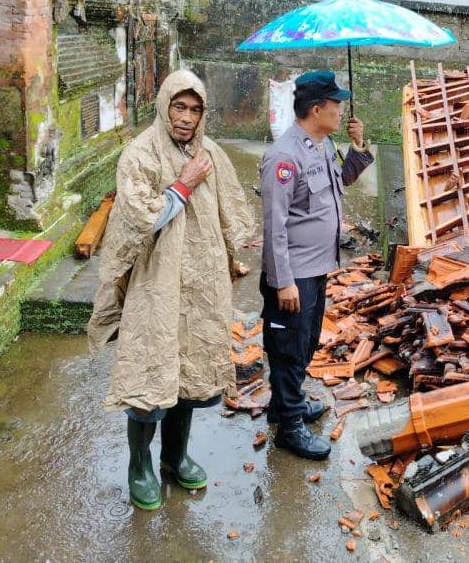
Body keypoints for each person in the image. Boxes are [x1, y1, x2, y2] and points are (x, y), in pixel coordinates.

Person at [88, 70, 254, 511]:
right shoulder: (140, 154)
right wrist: (183, 184)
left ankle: (174, 457)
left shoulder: (210, 152)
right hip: (156, 285)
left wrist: (231, 251)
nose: (186, 117)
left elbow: (228, 208)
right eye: (179, 107)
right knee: (150, 375)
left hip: (201, 283)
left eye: (195, 109)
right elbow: (140, 220)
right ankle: (139, 466)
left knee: (189, 376)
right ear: (164, 106)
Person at [260, 70, 374, 460]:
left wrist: (358, 147)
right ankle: (289, 427)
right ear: (315, 109)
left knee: (305, 342)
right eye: (335, 104)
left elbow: (339, 184)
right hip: (293, 274)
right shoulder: (284, 157)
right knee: (288, 348)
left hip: (316, 266)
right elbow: (274, 226)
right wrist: (282, 282)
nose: (341, 111)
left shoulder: (321, 145)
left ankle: (283, 404)